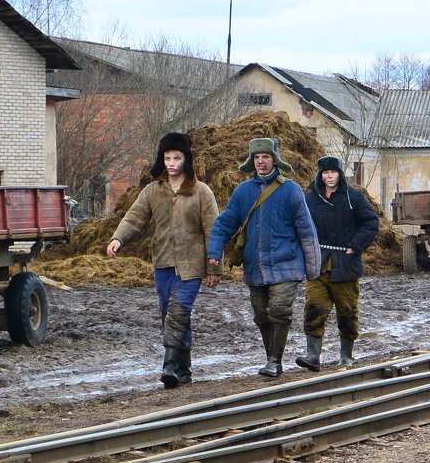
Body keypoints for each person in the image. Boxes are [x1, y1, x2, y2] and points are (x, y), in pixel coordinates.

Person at [107, 133, 220, 389]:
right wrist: (118, 239)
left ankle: (168, 366)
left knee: (178, 312)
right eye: (167, 157)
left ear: (186, 159)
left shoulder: (202, 192)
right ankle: (184, 368)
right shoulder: (153, 191)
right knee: (169, 315)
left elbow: (214, 230)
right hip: (163, 263)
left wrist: (214, 267)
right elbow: (135, 217)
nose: (171, 163)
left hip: (191, 265)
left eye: (177, 157)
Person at [207, 138, 321, 378]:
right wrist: (214, 255)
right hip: (255, 266)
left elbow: (307, 231)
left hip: (287, 264)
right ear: (252, 161)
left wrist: (313, 268)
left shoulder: (291, 190)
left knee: (279, 310)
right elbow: (223, 225)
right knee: (261, 315)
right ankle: (272, 356)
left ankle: (274, 361)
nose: (261, 162)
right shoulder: (243, 191)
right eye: (257, 158)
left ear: (274, 160)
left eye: (265, 157)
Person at [294, 155, 380, 371]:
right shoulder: (310, 198)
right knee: (314, 308)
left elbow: (370, 223)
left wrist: (355, 246)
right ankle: (312, 356)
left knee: (347, 311)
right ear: (320, 175)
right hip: (318, 264)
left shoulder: (354, 197)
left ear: (340, 174)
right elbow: (299, 224)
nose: (329, 176)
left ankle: (346, 357)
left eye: (333, 172)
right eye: (325, 173)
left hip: (346, 264)